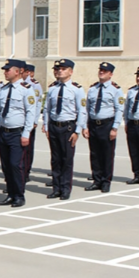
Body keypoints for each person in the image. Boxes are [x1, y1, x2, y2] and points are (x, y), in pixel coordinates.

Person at [0, 59, 36, 207]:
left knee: (15, 165)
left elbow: (31, 112)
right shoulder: (3, 89)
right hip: (3, 131)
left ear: (17, 71)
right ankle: (10, 193)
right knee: (6, 165)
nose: (5, 72)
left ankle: (19, 195)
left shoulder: (26, 89)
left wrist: (26, 133)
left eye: (8, 69)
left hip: (17, 133)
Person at [43, 59, 87, 200]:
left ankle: (65, 188)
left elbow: (82, 111)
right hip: (54, 126)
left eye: (63, 68)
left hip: (68, 127)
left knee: (66, 159)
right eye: (57, 69)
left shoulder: (76, 89)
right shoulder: (52, 88)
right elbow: (47, 108)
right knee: (55, 159)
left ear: (71, 71)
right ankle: (56, 187)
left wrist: (77, 131)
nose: (59, 71)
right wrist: (46, 125)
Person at [82, 62, 124, 192]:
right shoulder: (93, 89)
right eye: (100, 70)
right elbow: (87, 108)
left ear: (110, 74)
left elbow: (119, 109)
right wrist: (85, 126)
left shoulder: (116, 90)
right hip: (94, 124)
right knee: (94, 154)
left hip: (107, 125)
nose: (101, 72)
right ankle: (97, 179)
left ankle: (106, 181)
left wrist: (115, 128)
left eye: (105, 71)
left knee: (107, 154)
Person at [23, 64, 43, 182]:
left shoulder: (34, 85)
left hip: (30, 121)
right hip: (19, 122)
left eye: (28, 71)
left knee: (28, 149)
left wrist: (35, 121)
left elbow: (38, 104)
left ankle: (26, 172)